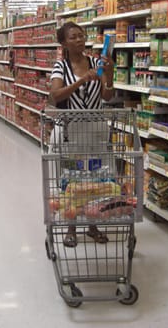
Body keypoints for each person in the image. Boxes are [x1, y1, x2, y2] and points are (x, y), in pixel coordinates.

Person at [49, 21, 115, 247]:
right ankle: (71, 226)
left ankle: (93, 225)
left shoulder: (97, 63)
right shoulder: (61, 67)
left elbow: (107, 96)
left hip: (96, 129)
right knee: (73, 178)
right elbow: (55, 96)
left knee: (96, 178)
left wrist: (110, 73)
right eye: (73, 37)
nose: (79, 39)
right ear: (63, 43)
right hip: (71, 132)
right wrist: (80, 82)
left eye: (81, 35)